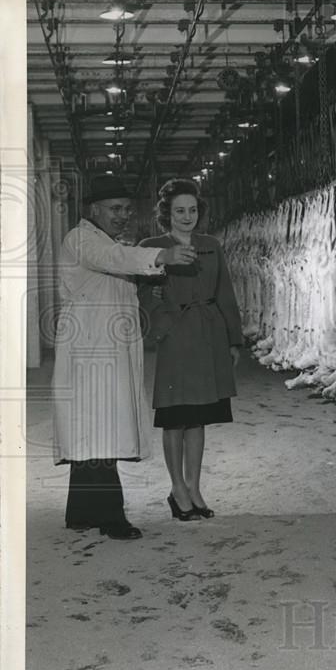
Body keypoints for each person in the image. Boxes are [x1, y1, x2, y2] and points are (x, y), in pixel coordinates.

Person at [53, 174, 197, 540]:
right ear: (94, 210)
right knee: (102, 431)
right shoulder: (83, 238)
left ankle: (80, 513)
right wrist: (161, 255)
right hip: (91, 351)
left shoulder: (106, 241)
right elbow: (114, 258)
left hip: (103, 347)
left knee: (92, 430)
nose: (122, 216)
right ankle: (111, 517)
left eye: (128, 210)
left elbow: (120, 267)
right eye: (115, 209)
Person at [138, 178, 243, 521]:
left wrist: (232, 339)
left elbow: (225, 292)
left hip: (209, 334)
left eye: (193, 210)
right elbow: (142, 295)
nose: (187, 217)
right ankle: (177, 489)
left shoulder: (211, 244)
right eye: (180, 210)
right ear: (166, 213)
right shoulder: (152, 246)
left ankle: (194, 487)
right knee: (175, 417)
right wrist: (162, 323)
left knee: (198, 418)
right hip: (176, 337)